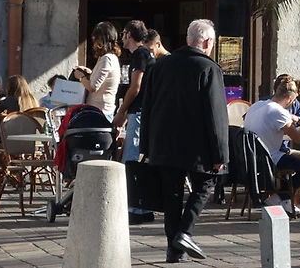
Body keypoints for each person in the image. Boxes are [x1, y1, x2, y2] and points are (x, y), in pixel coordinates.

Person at [140, 19, 229, 264]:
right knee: (205, 184)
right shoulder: (208, 68)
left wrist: (145, 146)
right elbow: (216, 115)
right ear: (208, 42)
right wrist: (221, 154)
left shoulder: (161, 66)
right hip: (196, 146)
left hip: (163, 143)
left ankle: (174, 250)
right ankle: (185, 232)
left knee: (172, 196)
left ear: (188, 39)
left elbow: (147, 108)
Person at [242, 77, 300, 217]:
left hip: (248, 158)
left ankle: (283, 200)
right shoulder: (278, 112)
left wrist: (292, 118)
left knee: (294, 161)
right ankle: (281, 198)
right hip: (268, 159)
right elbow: (298, 138)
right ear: (289, 99)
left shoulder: (257, 105)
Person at [115, 20, 156, 225]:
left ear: (129, 34)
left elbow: (135, 87)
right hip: (144, 112)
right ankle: (143, 207)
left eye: (123, 33)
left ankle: (134, 208)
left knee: (130, 161)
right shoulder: (148, 53)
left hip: (139, 113)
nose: (121, 38)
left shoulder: (139, 54)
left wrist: (121, 111)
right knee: (139, 161)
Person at [85, 21, 122, 121]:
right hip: (100, 110)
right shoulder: (108, 58)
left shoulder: (107, 59)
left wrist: (81, 77)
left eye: (95, 38)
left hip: (100, 112)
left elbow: (93, 87)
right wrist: (89, 72)